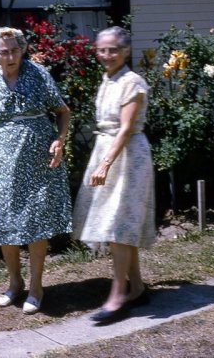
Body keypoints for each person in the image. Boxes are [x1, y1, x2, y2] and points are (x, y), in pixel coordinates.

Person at [0, 26, 72, 315]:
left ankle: (37, 288)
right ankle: (15, 283)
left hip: (38, 162)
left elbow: (63, 112)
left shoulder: (38, 74)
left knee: (36, 222)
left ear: (23, 49)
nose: (11, 56)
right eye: (4, 51)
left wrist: (59, 141)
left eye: (15, 50)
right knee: (4, 224)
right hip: (0, 163)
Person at [72, 26, 156, 323]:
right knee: (118, 223)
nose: (106, 55)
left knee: (118, 224)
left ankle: (118, 295)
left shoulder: (133, 82)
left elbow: (125, 128)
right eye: (101, 49)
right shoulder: (108, 79)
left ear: (126, 51)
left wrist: (105, 164)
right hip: (107, 149)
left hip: (128, 156)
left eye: (112, 50)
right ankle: (138, 288)